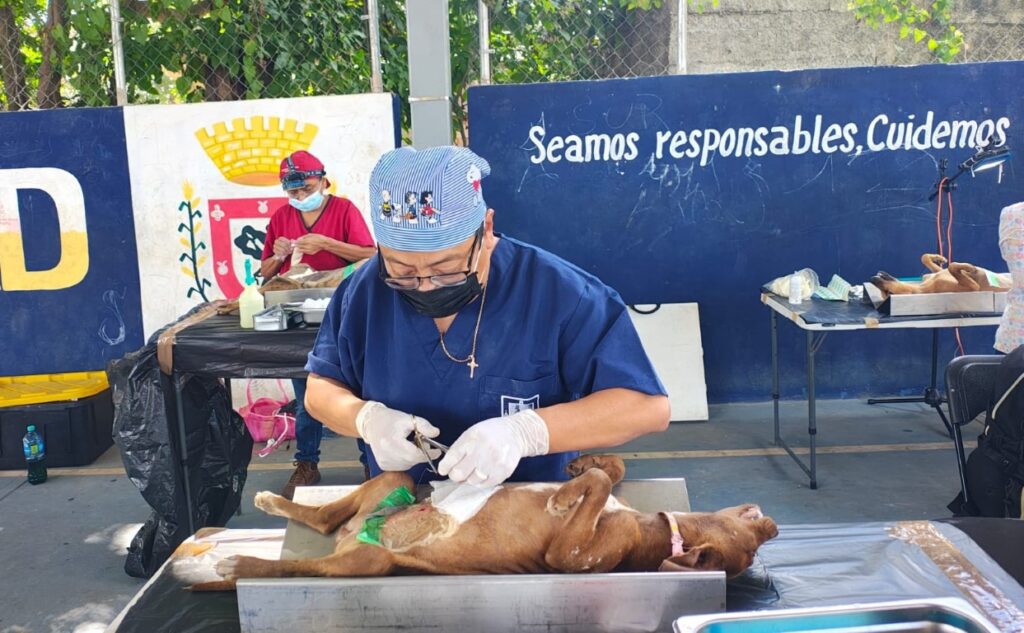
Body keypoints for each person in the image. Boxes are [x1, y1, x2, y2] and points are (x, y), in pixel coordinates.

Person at [303, 146, 670, 487]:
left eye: (446, 269)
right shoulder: (365, 292)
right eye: (403, 271)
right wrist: (367, 420)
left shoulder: (558, 292)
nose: (426, 286)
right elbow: (321, 390)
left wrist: (527, 432)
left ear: (487, 229)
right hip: (406, 506)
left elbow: (646, 407)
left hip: (533, 509)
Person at [260, 150, 377, 498]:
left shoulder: (343, 210)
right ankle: (306, 463)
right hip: (301, 313)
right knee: (305, 392)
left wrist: (327, 243)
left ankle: (370, 463)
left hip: (345, 309)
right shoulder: (282, 217)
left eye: (307, 189)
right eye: (293, 192)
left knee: (356, 389)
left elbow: (372, 254)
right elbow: (265, 272)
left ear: (324, 181)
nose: (300, 197)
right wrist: (278, 255)